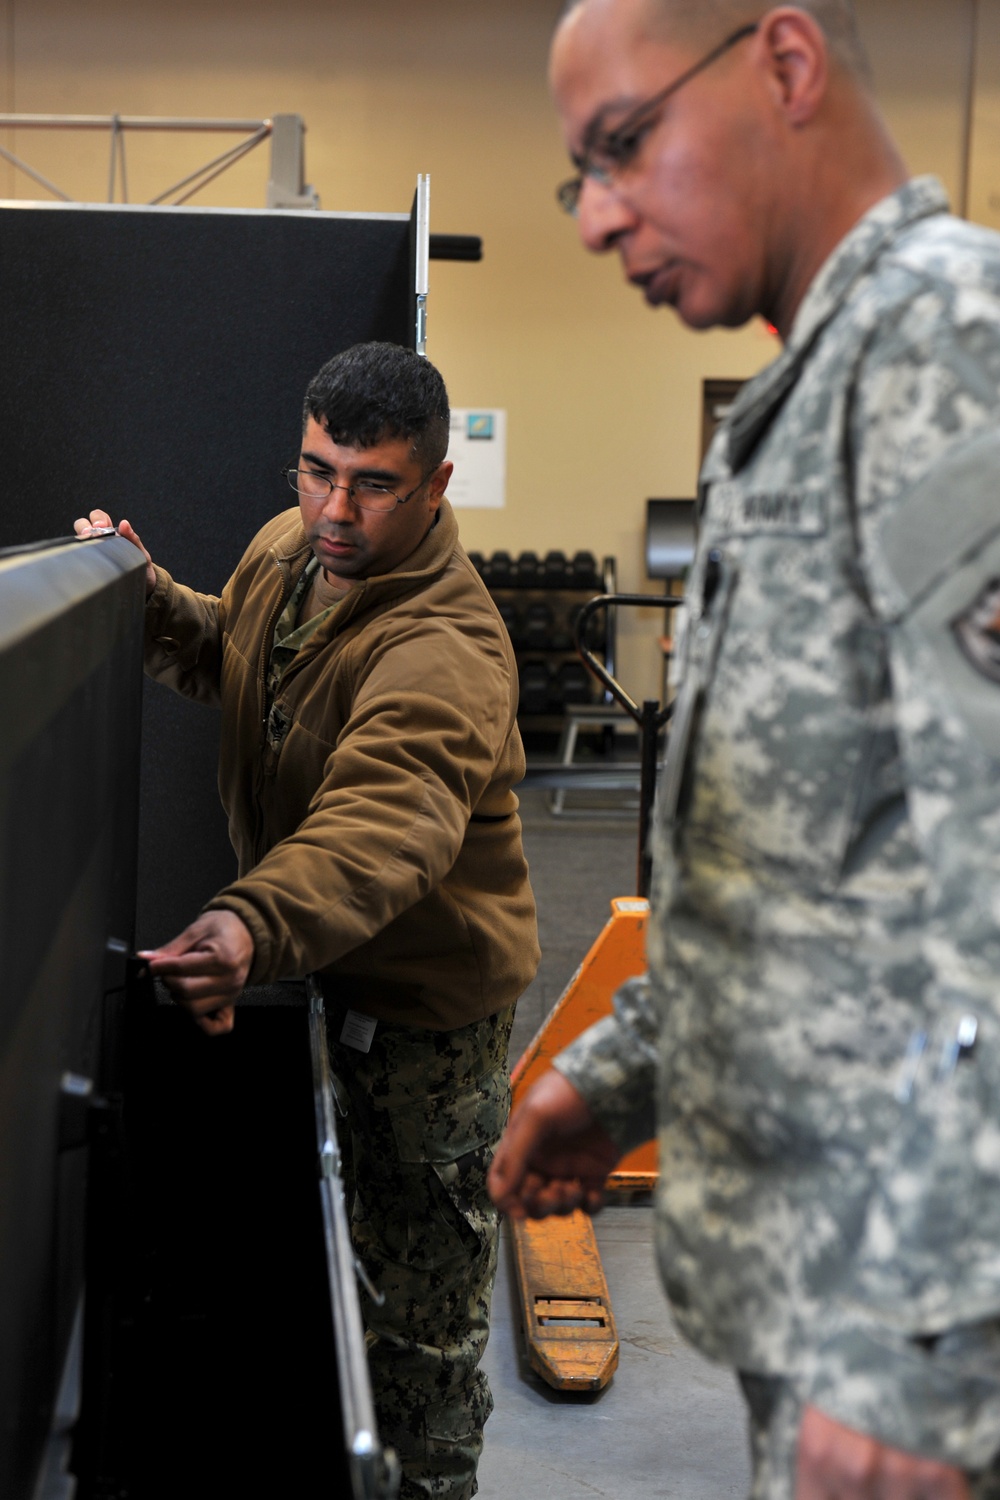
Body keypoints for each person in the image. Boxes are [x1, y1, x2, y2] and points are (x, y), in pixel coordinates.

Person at [487, 4, 1000, 1498]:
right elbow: (819, 866)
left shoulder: (943, 353)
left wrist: (924, 1356)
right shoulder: (810, 396)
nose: (594, 219)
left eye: (625, 146)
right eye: (577, 173)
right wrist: (625, 1068)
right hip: (820, 1299)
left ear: (785, 65)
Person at [76, 340, 539, 1500]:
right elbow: (229, 661)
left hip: (428, 1025)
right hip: (328, 972)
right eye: (315, 468)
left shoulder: (446, 647)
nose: (334, 507)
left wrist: (247, 925)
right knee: (336, 1288)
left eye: (372, 483)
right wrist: (145, 600)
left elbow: (383, 825)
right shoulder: (293, 552)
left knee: (417, 1333)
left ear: (436, 486)